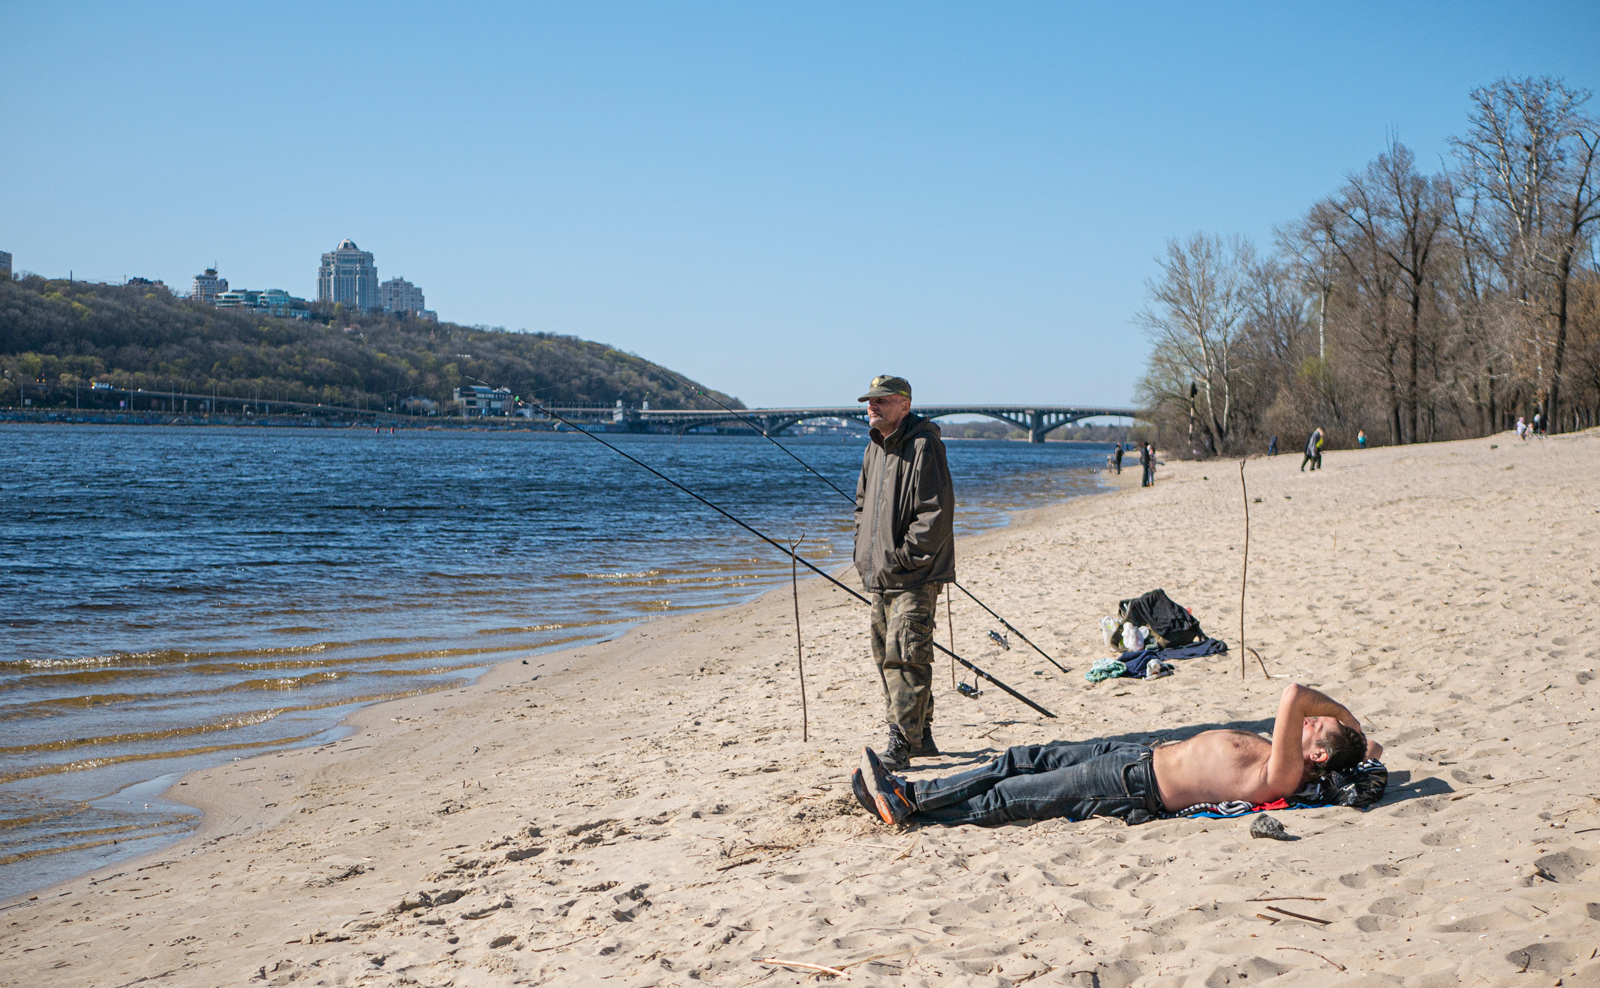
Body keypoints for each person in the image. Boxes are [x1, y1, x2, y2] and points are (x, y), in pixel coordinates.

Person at [853, 683, 1381, 827]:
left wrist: (1343, 717)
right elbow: (1370, 750)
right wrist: (1353, 737)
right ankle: (909, 795)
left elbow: (1294, 695)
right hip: (1137, 755)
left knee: (1016, 796)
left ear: (1317, 755)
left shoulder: (1285, 772)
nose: (1310, 719)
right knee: (1022, 758)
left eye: (1319, 727)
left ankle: (911, 800)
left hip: (1135, 784)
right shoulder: (1304, 755)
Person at [853, 375, 955, 771]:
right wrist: (864, 553)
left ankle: (901, 742)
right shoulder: (874, 448)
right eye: (870, 400)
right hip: (880, 574)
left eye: (881, 400)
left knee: (907, 656)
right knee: (885, 656)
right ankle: (921, 734)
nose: (872, 406)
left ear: (905, 405)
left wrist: (904, 557)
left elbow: (936, 513)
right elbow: (862, 505)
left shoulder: (925, 446)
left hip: (915, 575)